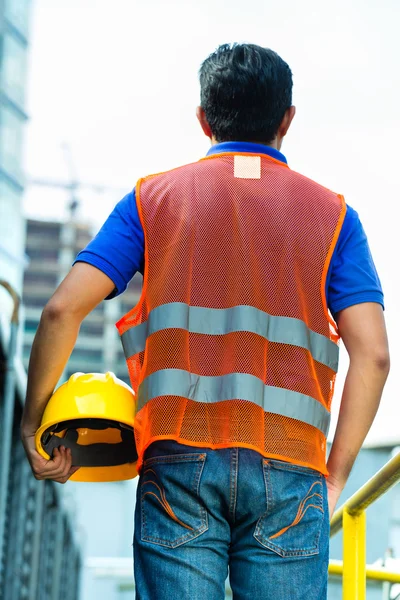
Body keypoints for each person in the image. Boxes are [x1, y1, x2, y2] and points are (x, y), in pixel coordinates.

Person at [21, 43, 389, 600]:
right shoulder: (334, 218)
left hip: (178, 460)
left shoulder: (152, 200)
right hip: (292, 468)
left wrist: (32, 425)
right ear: (288, 119)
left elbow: (60, 309)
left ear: (203, 118)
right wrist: (335, 473)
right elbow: (375, 355)